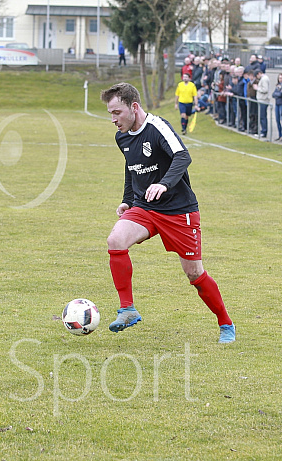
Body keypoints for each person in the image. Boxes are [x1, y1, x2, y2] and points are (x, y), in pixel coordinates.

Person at [99, 82, 235, 344]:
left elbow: (182, 156)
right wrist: (128, 200)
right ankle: (127, 309)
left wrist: (163, 183)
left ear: (134, 107)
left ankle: (226, 324)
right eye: (110, 114)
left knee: (194, 273)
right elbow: (131, 168)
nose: (114, 119)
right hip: (145, 208)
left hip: (178, 210)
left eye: (117, 112)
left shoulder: (157, 127)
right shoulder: (122, 137)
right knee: (115, 240)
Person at [254, 69, 270, 138]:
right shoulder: (263, 79)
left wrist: (257, 88)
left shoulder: (264, 79)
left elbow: (265, 90)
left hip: (263, 100)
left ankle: (264, 131)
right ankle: (263, 130)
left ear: (259, 74)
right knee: (261, 116)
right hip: (261, 100)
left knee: (263, 116)